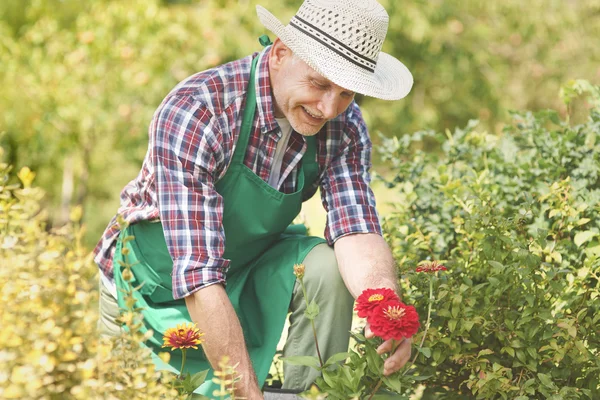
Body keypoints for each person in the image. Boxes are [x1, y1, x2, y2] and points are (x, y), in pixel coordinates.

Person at [94, 0, 414, 397]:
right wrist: (246, 393)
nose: (329, 108)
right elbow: (198, 275)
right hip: (149, 288)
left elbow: (356, 228)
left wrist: (385, 307)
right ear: (281, 53)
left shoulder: (343, 126)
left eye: (346, 93)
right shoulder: (199, 110)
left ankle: (311, 392)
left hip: (240, 272)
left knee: (326, 267)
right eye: (319, 84)